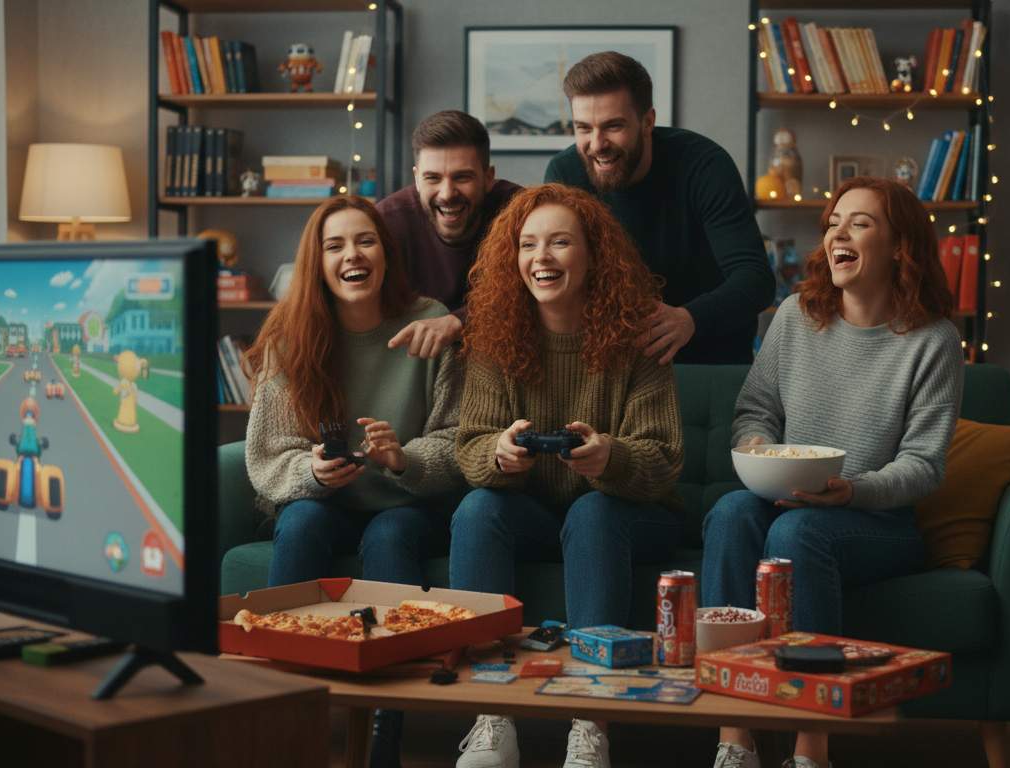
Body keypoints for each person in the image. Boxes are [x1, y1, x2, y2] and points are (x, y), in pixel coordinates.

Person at [699, 177, 963, 768]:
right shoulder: (795, 317)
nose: (838, 233)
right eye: (834, 222)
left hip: (877, 519)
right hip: (785, 495)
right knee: (730, 513)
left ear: (900, 246)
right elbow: (755, 410)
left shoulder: (934, 341)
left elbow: (924, 465)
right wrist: (760, 446)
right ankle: (732, 737)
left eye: (860, 223)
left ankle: (810, 748)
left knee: (797, 535)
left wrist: (853, 491)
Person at [448, 184, 683, 768]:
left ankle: (590, 717)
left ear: (593, 255)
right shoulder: (494, 339)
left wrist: (610, 457)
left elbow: (663, 459)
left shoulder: (638, 340)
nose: (541, 258)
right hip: (531, 509)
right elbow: (468, 445)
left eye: (559, 242)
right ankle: (490, 715)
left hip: (623, 512)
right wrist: (501, 453)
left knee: (593, 510)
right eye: (528, 245)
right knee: (477, 509)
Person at [243, 196, 465, 768]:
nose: (352, 255)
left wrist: (402, 459)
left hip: (406, 501)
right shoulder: (292, 335)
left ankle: (383, 738)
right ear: (316, 262)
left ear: (386, 254)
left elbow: (457, 440)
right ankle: (280, 717)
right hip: (325, 498)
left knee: (390, 537)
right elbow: (267, 455)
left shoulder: (428, 322)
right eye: (335, 245)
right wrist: (312, 471)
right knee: (300, 521)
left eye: (365, 241)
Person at [545, 51, 775, 366]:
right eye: (584, 128)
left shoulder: (704, 165)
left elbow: (756, 280)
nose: (596, 144)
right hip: (613, 364)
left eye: (613, 126)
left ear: (648, 121)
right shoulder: (564, 173)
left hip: (710, 362)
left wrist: (690, 318)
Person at [377, 110, 522, 359]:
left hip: (502, 354)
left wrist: (459, 322)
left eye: (462, 177)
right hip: (412, 358)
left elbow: (539, 295)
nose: (447, 193)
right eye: (432, 178)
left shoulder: (519, 212)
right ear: (417, 179)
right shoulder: (387, 221)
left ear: (488, 178)